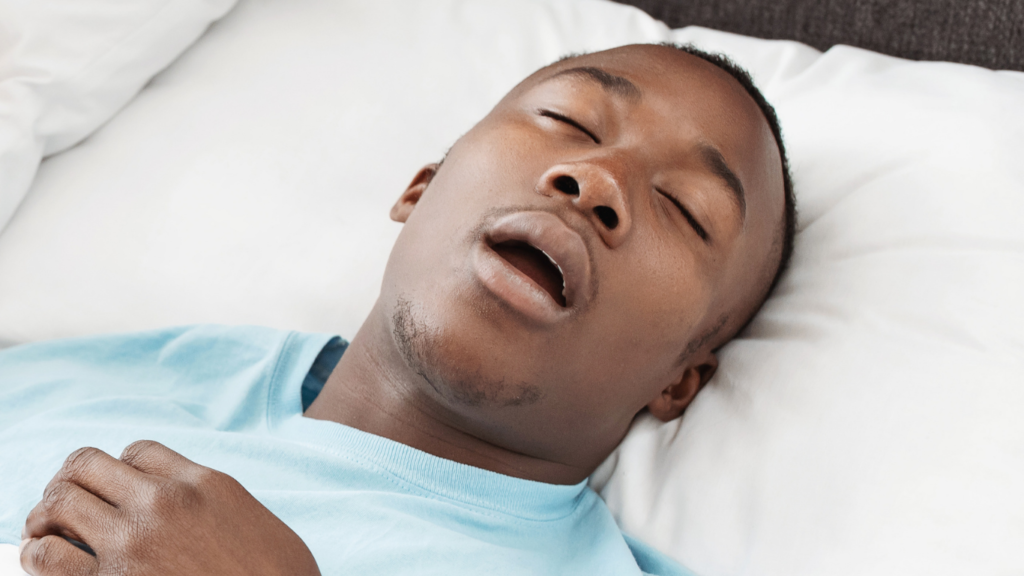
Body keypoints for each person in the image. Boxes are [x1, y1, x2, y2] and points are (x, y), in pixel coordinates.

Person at [0, 42, 795, 576]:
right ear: (422, 189)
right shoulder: (74, 384)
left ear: (678, 380)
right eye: (570, 122)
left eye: (685, 209)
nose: (598, 181)